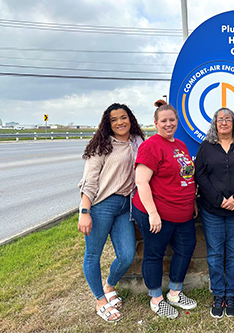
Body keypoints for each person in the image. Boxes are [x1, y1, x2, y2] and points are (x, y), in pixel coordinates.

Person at [78, 103, 145, 323]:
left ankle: (109, 285)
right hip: (102, 206)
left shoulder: (138, 141)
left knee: (126, 255)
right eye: (114, 119)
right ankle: (100, 300)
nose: (119, 122)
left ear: (130, 118)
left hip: (127, 205)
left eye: (123, 117)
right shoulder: (102, 146)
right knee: (93, 255)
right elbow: (89, 181)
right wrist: (84, 211)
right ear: (108, 123)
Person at [132, 100, 197, 319]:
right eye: (164, 121)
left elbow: (185, 175)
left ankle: (175, 292)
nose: (168, 124)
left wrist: (192, 201)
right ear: (155, 123)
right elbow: (141, 182)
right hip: (158, 213)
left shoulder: (180, 144)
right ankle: (156, 299)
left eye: (172, 120)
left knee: (186, 248)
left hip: (183, 212)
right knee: (154, 254)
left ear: (177, 121)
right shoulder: (151, 146)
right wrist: (152, 213)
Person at [195, 108, 234, 318]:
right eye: (219, 119)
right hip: (212, 211)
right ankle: (218, 295)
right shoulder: (206, 147)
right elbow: (200, 176)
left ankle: (231, 295)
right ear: (214, 123)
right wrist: (218, 199)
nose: (223, 122)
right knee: (214, 254)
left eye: (227, 119)